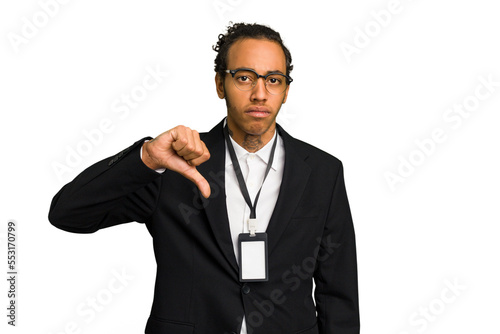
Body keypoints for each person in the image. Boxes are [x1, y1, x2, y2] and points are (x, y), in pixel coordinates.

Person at [49, 22, 360, 334]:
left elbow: (338, 292)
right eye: (244, 78)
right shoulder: (172, 165)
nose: (260, 93)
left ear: (286, 90)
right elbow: (68, 213)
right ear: (220, 84)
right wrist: (145, 158)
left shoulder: (323, 171)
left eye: (273, 80)